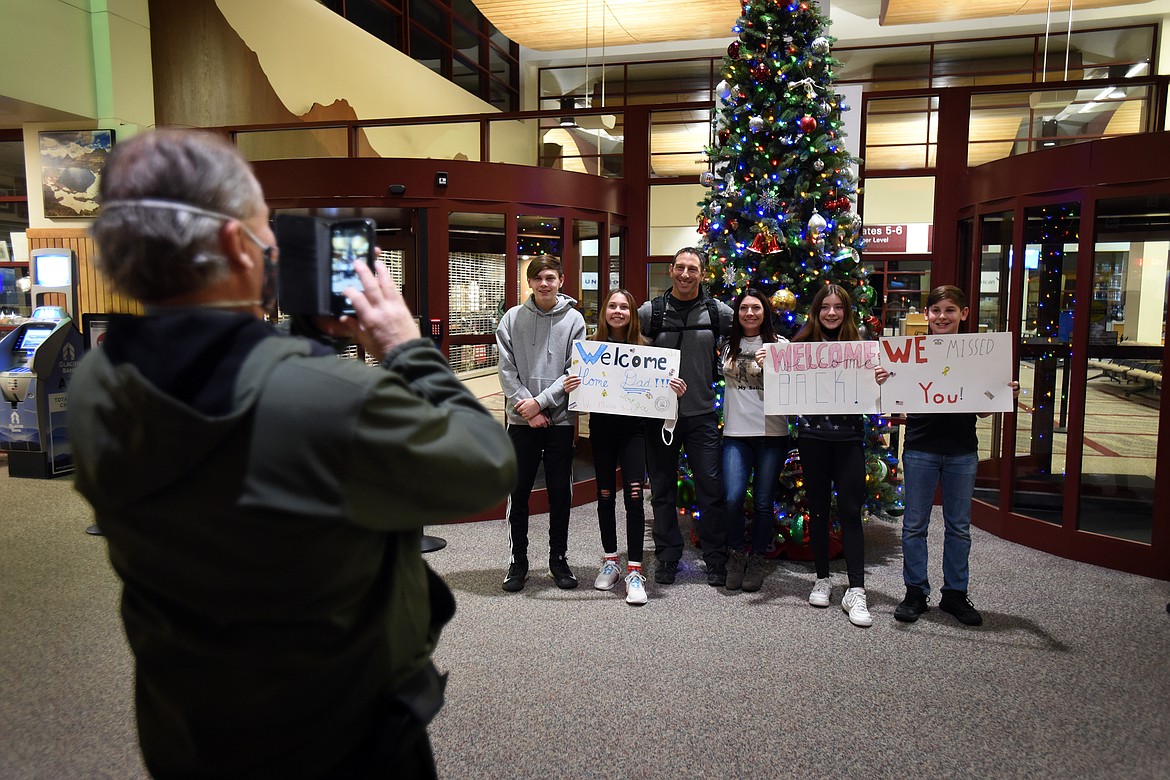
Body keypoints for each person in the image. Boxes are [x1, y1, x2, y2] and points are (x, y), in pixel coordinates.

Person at [67, 129, 516, 779]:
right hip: (339, 741)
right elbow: (487, 465)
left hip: (188, 734)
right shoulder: (328, 399)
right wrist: (405, 347)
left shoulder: (94, 385)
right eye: (264, 228)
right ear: (234, 245)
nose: (274, 244)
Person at [894, 285, 1020, 627]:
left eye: (950, 310)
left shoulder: (977, 354)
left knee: (959, 527)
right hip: (920, 446)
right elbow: (894, 395)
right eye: (936, 311)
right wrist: (883, 380)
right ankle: (915, 592)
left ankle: (954, 594)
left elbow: (983, 413)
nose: (942, 317)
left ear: (963, 314)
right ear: (926, 315)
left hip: (962, 450)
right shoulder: (912, 352)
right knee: (914, 525)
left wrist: (1000, 394)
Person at [793, 284, 889, 628]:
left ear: (847, 312)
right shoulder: (801, 346)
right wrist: (767, 362)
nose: (831, 313)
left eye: (838, 308)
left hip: (849, 439)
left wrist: (881, 378)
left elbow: (883, 391)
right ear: (816, 311)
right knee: (817, 509)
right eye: (825, 307)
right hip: (812, 438)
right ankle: (822, 578)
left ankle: (856, 588)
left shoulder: (862, 347)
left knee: (850, 510)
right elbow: (782, 379)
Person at [638, 247, 734, 586]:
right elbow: (632, 355)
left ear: (702, 273)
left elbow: (741, 346)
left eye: (692, 269)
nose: (685, 274)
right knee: (662, 489)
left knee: (711, 488)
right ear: (671, 269)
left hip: (701, 416)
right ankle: (667, 556)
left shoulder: (718, 313)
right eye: (679, 267)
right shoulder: (651, 312)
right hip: (659, 417)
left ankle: (715, 558)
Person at [496, 256, 587, 592]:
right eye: (538, 278)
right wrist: (529, 409)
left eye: (550, 277)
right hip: (521, 422)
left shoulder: (575, 320)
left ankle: (558, 560)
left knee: (560, 493)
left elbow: (573, 371)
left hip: (560, 421)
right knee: (518, 492)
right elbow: (506, 371)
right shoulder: (511, 319)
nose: (544, 284)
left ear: (561, 280)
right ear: (529, 283)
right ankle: (518, 562)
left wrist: (542, 403)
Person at [563, 289, 654, 604]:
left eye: (624, 307)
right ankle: (611, 560)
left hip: (634, 432)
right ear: (604, 312)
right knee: (603, 495)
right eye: (612, 306)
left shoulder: (646, 350)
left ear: (632, 314)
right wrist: (573, 384)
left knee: (633, 498)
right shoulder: (591, 349)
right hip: (602, 430)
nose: (618, 311)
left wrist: (672, 389)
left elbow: (656, 392)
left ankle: (634, 571)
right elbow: (580, 387)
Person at [720, 289, 791, 592]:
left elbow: (792, 388)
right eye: (744, 308)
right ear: (737, 313)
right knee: (733, 497)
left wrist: (773, 365)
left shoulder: (782, 345)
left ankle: (758, 557)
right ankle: (737, 554)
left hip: (772, 434)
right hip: (736, 433)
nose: (750, 313)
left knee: (763, 502)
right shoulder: (726, 346)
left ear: (766, 312)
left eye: (756, 308)